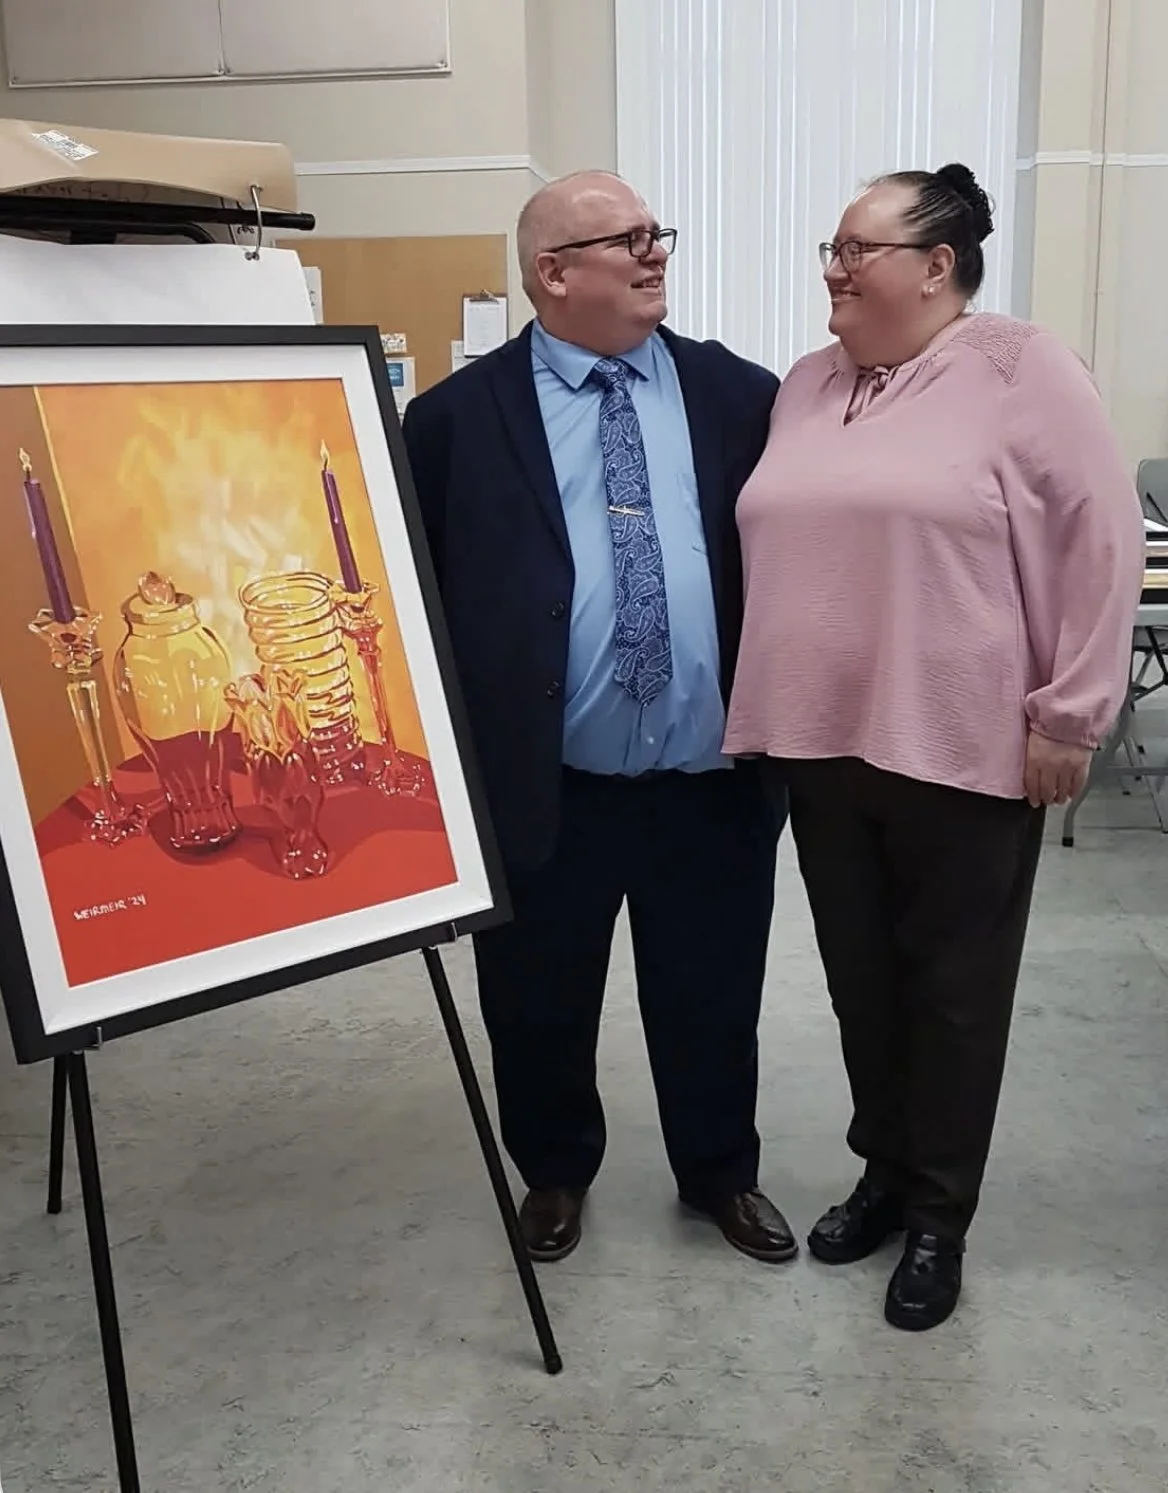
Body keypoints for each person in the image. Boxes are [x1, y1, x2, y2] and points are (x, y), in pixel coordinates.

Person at [723, 162, 1144, 1329]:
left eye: (857, 249)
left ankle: (939, 1215)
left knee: (954, 991)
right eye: (831, 248)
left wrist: (1071, 710)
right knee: (864, 981)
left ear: (937, 265)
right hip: (819, 739)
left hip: (964, 742)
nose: (833, 269)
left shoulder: (1021, 367)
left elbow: (1098, 538)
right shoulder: (808, 383)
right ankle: (884, 1169)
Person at [402, 171, 793, 1265]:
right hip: (543, 782)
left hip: (710, 780)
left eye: (654, 231)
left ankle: (719, 1170)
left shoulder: (740, 397)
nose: (653, 251)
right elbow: (417, 595)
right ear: (551, 273)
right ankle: (555, 1171)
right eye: (623, 239)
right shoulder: (452, 422)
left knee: (713, 992)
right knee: (536, 999)